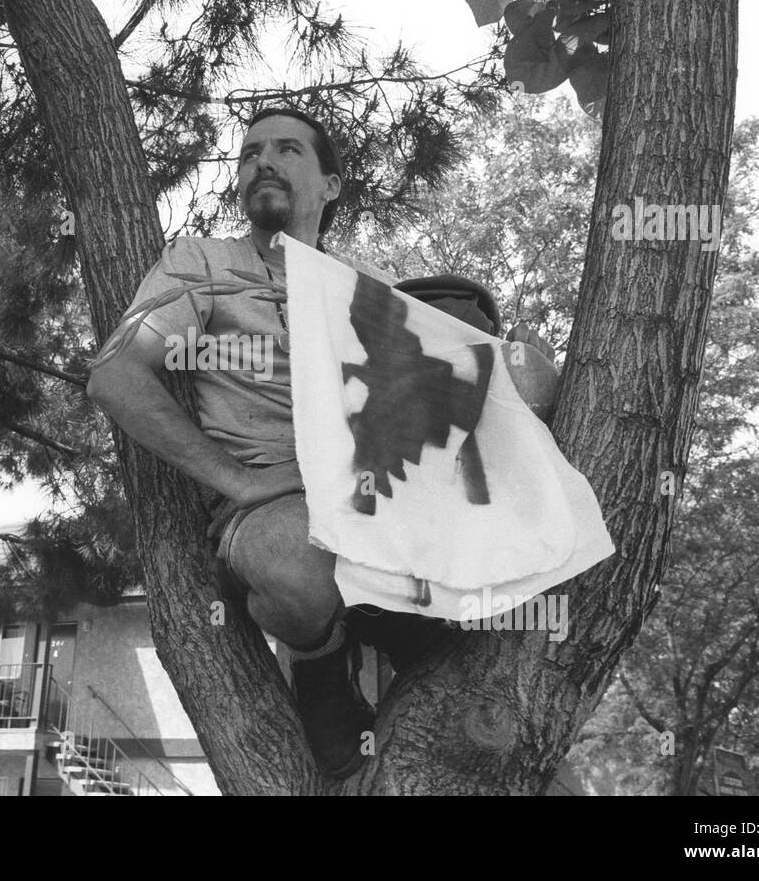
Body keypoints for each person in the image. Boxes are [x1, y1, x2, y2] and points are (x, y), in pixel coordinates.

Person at [87, 106, 547, 779]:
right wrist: (235, 480)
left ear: (331, 186)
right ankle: (321, 662)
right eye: (248, 155)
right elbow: (115, 375)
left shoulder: (362, 288)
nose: (261, 162)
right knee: (295, 567)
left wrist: (504, 373)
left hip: (376, 488)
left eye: (286, 150)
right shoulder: (202, 263)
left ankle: (397, 619)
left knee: (530, 375)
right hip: (277, 502)